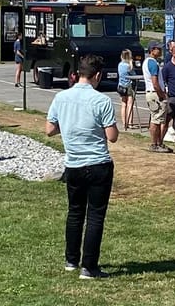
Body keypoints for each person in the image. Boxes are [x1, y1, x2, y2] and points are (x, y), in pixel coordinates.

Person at [45, 55, 120, 280]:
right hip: (98, 163)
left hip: (74, 164)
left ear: (77, 73)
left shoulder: (61, 97)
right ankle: (89, 266)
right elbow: (112, 136)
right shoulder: (102, 101)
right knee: (95, 215)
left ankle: (71, 260)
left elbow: (49, 129)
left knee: (75, 212)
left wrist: (69, 127)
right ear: (97, 75)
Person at [143, 44, 167, 150]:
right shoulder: (152, 63)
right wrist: (161, 94)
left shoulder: (147, 62)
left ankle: (157, 143)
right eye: (159, 49)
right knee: (156, 120)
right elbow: (155, 81)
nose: (161, 51)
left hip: (151, 93)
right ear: (152, 50)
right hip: (155, 93)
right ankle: (154, 144)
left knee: (157, 119)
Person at [114, 49, 136, 129]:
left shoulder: (120, 64)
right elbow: (133, 75)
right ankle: (130, 122)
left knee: (123, 104)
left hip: (121, 85)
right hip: (128, 85)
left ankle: (124, 123)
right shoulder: (129, 66)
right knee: (130, 104)